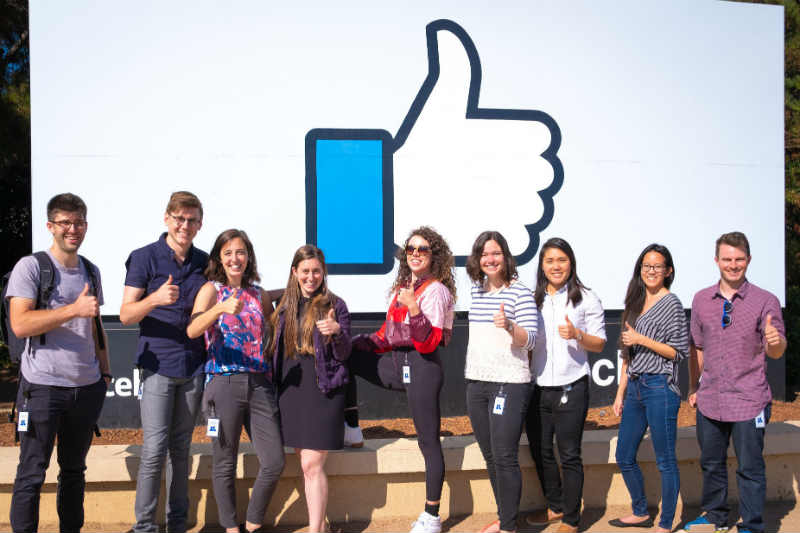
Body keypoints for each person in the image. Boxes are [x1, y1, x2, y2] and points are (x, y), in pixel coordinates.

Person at [7, 193, 110, 533]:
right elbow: (20, 324)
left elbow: (95, 326)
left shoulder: (91, 271)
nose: (73, 229)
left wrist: (105, 372)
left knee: (74, 472)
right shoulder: (32, 267)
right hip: (43, 387)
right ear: (50, 226)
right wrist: (71, 310)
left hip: (86, 387)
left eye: (79, 222)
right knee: (32, 472)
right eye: (65, 222)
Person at [344, 226, 456, 533]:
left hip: (423, 366)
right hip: (398, 363)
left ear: (435, 255)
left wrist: (414, 307)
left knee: (427, 441)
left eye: (423, 249)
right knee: (348, 356)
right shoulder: (404, 287)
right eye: (410, 249)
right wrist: (358, 342)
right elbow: (387, 335)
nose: (416, 254)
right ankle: (352, 428)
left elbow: (427, 343)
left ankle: (432, 515)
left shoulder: (437, 291)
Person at [683, 232, 786, 533]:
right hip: (711, 400)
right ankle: (715, 516)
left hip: (749, 400)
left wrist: (774, 340)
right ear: (717, 261)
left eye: (739, 259)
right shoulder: (701, 299)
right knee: (711, 464)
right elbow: (697, 348)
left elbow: (777, 350)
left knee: (750, 469)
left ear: (749, 260)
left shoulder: (766, 300)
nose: (733, 265)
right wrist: (693, 387)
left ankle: (752, 525)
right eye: (727, 259)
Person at [120, 191, 209, 533]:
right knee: (155, 450)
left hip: (193, 365)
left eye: (191, 220)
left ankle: (177, 523)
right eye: (179, 218)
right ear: (167, 219)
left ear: (199, 225)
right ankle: (144, 526)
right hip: (157, 365)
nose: (184, 225)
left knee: (181, 449)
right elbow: (127, 314)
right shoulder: (145, 257)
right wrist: (155, 298)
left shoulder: (203, 260)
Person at [187, 229, 284, 533]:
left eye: (240, 252)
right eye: (228, 253)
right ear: (219, 258)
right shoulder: (211, 290)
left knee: (275, 460)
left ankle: (253, 523)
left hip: (259, 384)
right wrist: (219, 308)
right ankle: (230, 527)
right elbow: (192, 330)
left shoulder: (258, 294)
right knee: (225, 461)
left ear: (248, 256)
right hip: (223, 384)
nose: (235, 258)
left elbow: (272, 328)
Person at [270, 245, 352, 533]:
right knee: (304, 463)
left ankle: (315, 529)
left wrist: (338, 332)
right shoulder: (282, 305)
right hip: (291, 392)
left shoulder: (335, 305)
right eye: (305, 271)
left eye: (316, 271)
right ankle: (322, 526)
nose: (311, 277)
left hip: (323, 391)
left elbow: (344, 354)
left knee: (311, 464)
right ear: (295, 272)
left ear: (323, 272)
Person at [526, 237, 606, 533]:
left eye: (561, 260)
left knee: (569, 453)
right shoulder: (533, 299)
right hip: (538, 387)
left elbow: (599, 343)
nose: (556, 266)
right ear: (542, 265)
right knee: (541, 450)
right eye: (550, 260)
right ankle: (556, 506)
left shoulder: (586, 297)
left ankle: (572, 519)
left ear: (571, 262)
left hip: (572, 385)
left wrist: (577, 335)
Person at [608, 244, 688, 532]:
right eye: (646, 266)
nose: (651, 271)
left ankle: (665, 523)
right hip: (636, 388)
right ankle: (640, 510)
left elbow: (677, 352)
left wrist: (642, 339)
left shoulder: (673, 304)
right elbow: (626, 354)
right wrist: (620, 393)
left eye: (657, 266)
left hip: (660, 387)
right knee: (624, 455)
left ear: (668, 271)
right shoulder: (635, 300)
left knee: (665, 459)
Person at [464, 231, 538, 533]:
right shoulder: (476, 291)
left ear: (505, 257)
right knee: (490, 455)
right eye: (484, 254)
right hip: (477, 382)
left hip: (509, 381)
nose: (489, 259)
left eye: (495, 253)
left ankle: (508, 526)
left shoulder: (520, 292)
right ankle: (504, 516)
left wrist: (509, 326)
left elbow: (531, 340)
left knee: (505, 455)